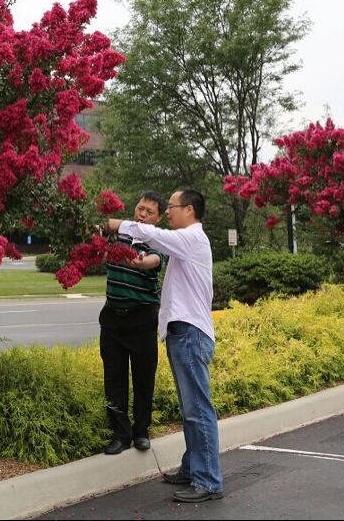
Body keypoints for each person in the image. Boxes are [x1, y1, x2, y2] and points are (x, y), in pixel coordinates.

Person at [105, 189, 223, 503]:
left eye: (170, 207)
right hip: (182, 333)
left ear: (189, 210)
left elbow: (152, 236)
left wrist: (117, 224)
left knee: (198, 409)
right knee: (190, 410)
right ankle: (192, 468)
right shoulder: (188, 241)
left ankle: (208, 481)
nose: (168, 212)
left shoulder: (192, 239)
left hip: (190, 334)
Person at [99, 190, 168, 456]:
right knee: (113, 379)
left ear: (159, 218)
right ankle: (120, 434)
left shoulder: (158, 241)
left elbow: (155, 261)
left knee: (143, 379)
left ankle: (141, 432)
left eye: (149, 212)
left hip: (142, 318)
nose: (142, 214)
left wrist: (141, 263)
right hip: (113, 319)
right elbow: (100, 229)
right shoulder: (120, 233)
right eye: (140, 208)